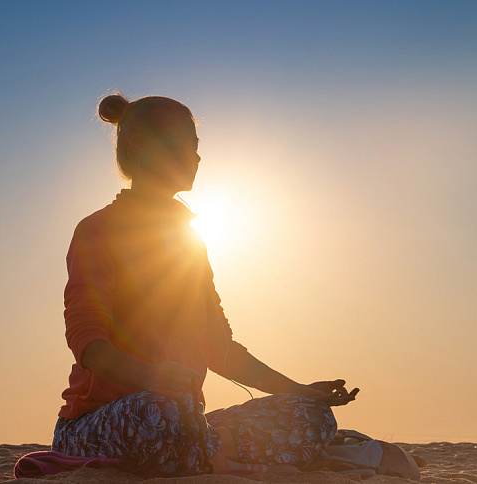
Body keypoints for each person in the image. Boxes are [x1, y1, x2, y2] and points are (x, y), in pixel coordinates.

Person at [51, 93, 359, 477]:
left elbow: (221, 349)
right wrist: (150, 376)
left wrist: (300, 390)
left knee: (313, 415)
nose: (195, 158)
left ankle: (210, 454)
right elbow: (88, 344)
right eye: (179, 145)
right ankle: (223, 457)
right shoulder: (97, 231)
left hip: (186, 419)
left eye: (196, 147)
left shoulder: (191, 245)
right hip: (106, 421)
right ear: (138, 152)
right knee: (161, 414)